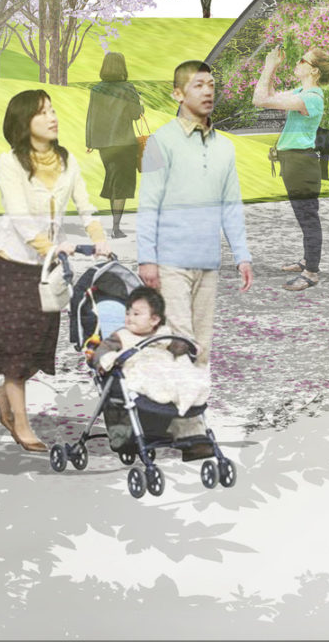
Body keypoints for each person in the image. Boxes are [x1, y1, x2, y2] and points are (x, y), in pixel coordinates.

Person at [0, 90, 112, 454]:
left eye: (52, 110)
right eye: (42, 113)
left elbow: (85, 205)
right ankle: (22, 425)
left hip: (51, 271)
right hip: (14, 267)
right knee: (15, 352)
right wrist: (51, 246)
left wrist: (98, 238)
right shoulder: (11, 162)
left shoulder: (68, 161)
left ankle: (4, 392)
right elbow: (20, 216)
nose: (52, 117)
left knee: (38, 350)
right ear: (25, 123)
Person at [138, 60, 252, 453]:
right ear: (178, 93)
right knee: (180, 341)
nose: (208, 91)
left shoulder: (225, 147)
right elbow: (147, 203)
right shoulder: (159, 142)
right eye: (199, 84)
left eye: (212, 84)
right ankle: (186, 430)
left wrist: (242, 254)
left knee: (201, 344)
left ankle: (186, 417)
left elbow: (231, 204)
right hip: (169, 260)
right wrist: (146, 259)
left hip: (208, 262)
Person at [255, 46, 329, 291]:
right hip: (294, 162)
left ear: (312, 70)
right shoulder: (301, 91)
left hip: (302, 164)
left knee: (308, 218)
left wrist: (269, 66)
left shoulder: (311, 98)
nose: (297, 61)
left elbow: (259, 99)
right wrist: (272, 70)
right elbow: (268, 96)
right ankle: (307, 260)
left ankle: (312, 272)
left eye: (302, 59)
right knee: (304, 216)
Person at [84, 286, 210, 414]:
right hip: (141, 371)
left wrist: (189, 346)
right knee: (151, 376)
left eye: (136, 314)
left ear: (154, 320)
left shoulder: (163, 334)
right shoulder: (121, 336)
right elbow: (102, 351)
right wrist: (105, 361)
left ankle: (182, 393)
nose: (129, 318)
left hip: (165, 368)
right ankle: (169, 392)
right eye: (128, 313)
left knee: (187, 373)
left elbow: (178, 348)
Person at [85, 52, 145, 240]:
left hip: (104, 144)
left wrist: (90, 142)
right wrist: (140, 105)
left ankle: (115, 226)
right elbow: (136, 114)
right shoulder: (127, 88)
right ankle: (116, 228)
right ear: (122, 67)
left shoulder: (96, 90)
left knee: (113, 181)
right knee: (121, 184)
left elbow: (91, 116)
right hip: (124, 142)